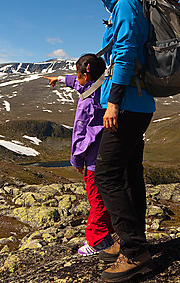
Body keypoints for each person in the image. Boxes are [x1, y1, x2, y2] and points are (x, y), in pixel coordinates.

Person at [93, 0, 156, 282]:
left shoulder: (127, 5)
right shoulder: (135, 4)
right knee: (131, 172)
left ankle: (134, 251)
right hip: (138, 103)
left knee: (106, 174)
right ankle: (133, 240)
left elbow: (126, 53)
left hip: (128, 104)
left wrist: (114, 101)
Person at [44, 53, 114, 257]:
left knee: (96, 200)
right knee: (106, 197)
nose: (76, 78)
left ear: (87, 73)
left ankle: (97, 240)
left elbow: (83, 135)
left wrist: (77, 160)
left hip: (94, 162)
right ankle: (109, 232)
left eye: (78, 74)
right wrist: (58, 79)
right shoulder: (102, 86)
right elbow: (77, 83)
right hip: (110, 155)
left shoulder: (89, 105)